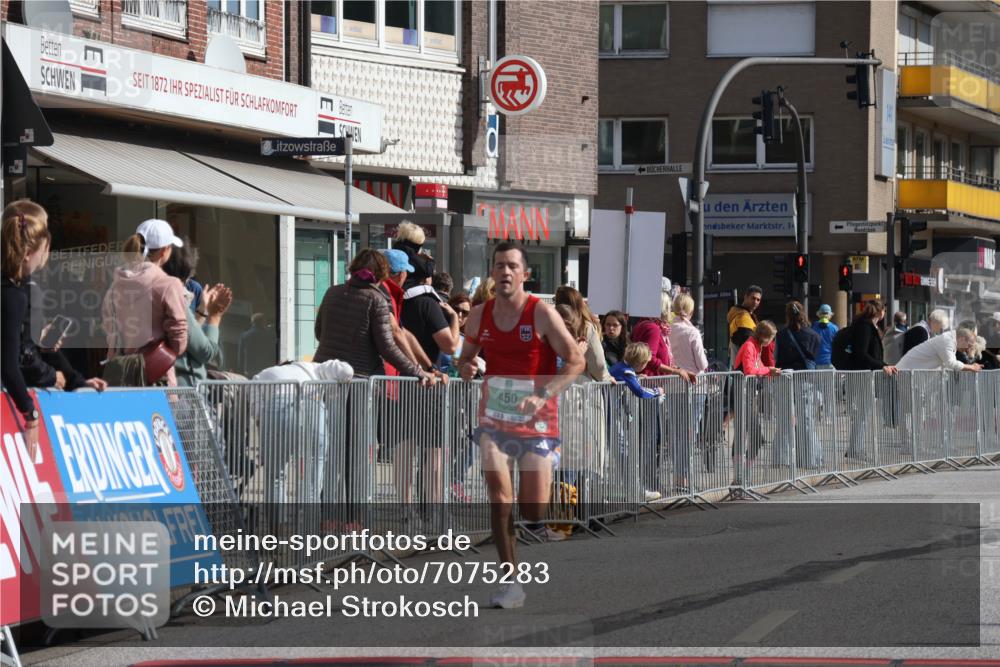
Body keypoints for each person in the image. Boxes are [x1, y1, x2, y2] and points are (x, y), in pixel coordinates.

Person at [456, 242, 584, 609]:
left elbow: (574, 361)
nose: (505, 272)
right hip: (494, 418)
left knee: (533, 510)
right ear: (493, 273)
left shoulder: (540, 313)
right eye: (499, 266)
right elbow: (465, 360)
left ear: (525, 274)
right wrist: (465, 368)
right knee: (499, 499)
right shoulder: (479, 315)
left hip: (538, 420)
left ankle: (548, 484)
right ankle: (511, 582)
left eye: (513, 266)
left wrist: (544, 395)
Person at [2, 200, 107, 457]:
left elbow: (29, 344)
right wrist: (31, 413)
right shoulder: (14, 294)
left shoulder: (22, 289)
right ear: (30, 252)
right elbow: (9, 362)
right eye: (45, 248)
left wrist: (75, 379)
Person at [252, 359, 354, 512]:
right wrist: (335, 388)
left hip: (277, 410)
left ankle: (277, 532)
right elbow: (347, 371)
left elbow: (257, 407)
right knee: (311, 483)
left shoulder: (262, 375)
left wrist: (265, 424)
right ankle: (309, 531)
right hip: (312, 409)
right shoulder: (314, 367)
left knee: (275, 476)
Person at [102, 219, 189, 386]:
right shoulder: (168, 284)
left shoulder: (115, 285)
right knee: (159, 413)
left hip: (120, 376)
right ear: (165, 251)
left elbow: (109, 327)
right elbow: (179, 339)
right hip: (155, 375)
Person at [162, 237, 232, 386]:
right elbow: (205, 352)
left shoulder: (145, 296)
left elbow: (188, 336)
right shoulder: (174, 299)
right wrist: (214, 316)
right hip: (182, 391)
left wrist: (202, 311)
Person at [609, 342, 669, 501]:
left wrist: (636, 377)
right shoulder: (626, 372)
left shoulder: (622, 368)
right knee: (624, 455)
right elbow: (640, 393)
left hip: (612, 415)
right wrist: (658, 392)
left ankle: (633, 489)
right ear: (641, 363)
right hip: (612, 417)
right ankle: (635, 490)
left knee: (622, 454)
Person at [838, 300, 897, 460]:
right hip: (862, 375)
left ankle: (856, 448)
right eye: (884, 310)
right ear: (880, 312)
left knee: (863, 414)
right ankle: (855, 450)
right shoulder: (865, 327)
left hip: (864, 374)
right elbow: (861, 354)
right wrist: (882, 365)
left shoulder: (867, 326)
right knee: (862, 414)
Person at [774, 302, 823, 468]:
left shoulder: (780, 335)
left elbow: (776, 358)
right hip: (805, 380)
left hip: (784, 379)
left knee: (783, 420)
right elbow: (814, 356)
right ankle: (808, 459)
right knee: (806, 421)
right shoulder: (814, 335)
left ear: (787, 315)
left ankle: (782, 460)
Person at [733, 320, 780, 483]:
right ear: (764, 336)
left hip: (749, 394)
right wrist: (769, 370)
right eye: (772, 338)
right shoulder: (749, 346)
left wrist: (769, 371)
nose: (772, 342)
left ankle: (744, 476)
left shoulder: (756, 347)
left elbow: (758, 367)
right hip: (742, 394)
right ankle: (739, 478)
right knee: (746, 435)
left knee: (752, 436)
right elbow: (749, 370)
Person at [630, 294, 695, 383]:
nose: (671, 311)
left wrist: (679, 370)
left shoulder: (643, 324)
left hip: (647, 382)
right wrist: (674, 371)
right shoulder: (652, 328)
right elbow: (648, 358)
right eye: (669, 307)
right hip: (650, 384)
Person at [555, 285, 611, 382]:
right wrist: (606, 378)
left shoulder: (548, 324)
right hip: (580, 389)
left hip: (556, 389)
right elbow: (597, 363)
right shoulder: (585, 327)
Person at [897, 328, 982, 372]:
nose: (968, 349)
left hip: (910, 374)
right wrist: (971, 367)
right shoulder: (947, 340)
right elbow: (951, 363)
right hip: (905, 373)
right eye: (969, 345)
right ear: (962, 339)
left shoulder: (950, 340)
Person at [728, 285, 763, 369]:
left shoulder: (743, 315)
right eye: (753, 298)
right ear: (746, 297)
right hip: (744, 368)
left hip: (738, 365)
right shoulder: (743, 317)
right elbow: (748, 345)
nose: (755, 302)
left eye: (758, 300)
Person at [237, 313, 277, 378]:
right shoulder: (269, 336)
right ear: (263, 322)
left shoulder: (244, 336)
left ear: (252, 322)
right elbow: (272, 353)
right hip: (265, 369)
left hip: (249, 370)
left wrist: (240, 371)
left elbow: (241, 356)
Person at [811, 304, 839, 369]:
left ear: (819, 314)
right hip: (830, 362)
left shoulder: (814, 327)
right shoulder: (834, 328)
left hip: (816, 362)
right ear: (830, 315)